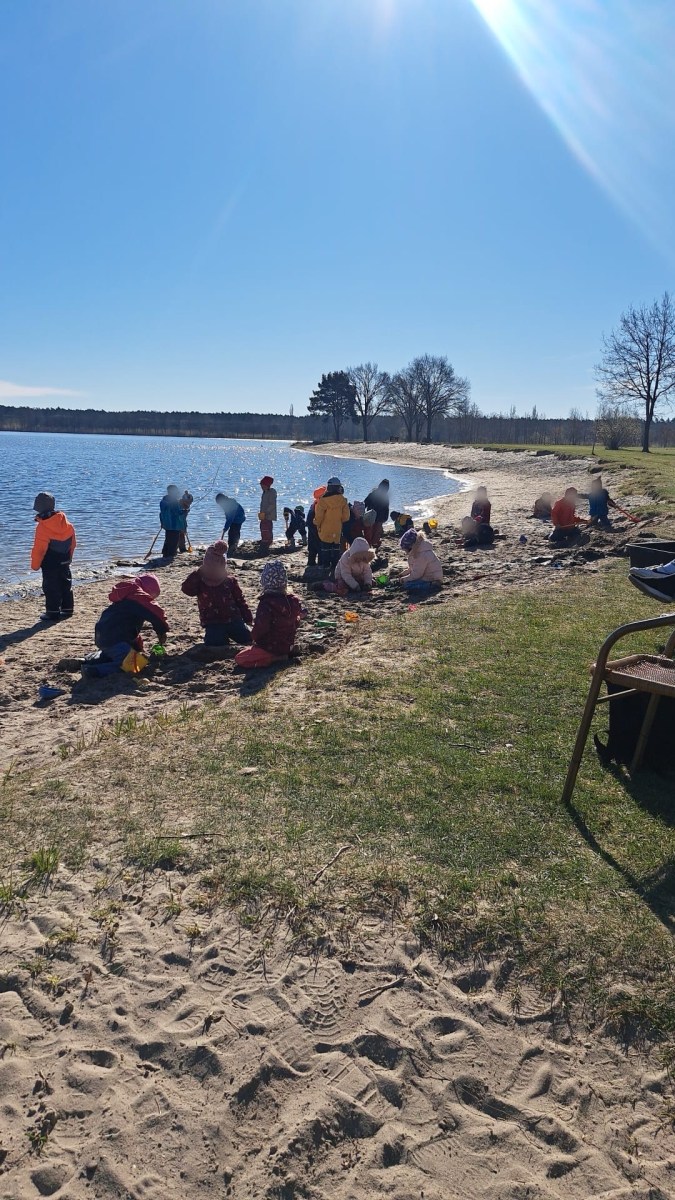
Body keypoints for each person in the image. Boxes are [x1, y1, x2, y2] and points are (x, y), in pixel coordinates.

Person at [234, 560, 305, 669]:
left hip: (269, 647)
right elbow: (297, 620)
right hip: (287, 644)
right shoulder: (293, 601)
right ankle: (286, 652)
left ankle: (275, 658)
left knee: (240, 658)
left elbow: (261, 627)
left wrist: (254, 637)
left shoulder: (266, 604)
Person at [181, 541, 252, 647]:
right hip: (212, 622)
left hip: (234, 619)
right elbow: (187, 590)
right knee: (215, 642)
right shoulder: (200, 580)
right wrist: (197, 573)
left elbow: (240, 600)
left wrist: (247, 617)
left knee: (248, 637)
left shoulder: (229, 581)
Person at [94, 573, 169, 661]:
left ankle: (90, 660)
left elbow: (128, 627)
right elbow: (155, 613)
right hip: (115, 640)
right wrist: (162, 630)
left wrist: (138, 647)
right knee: (132, 663)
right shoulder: (138, 596)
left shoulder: (126, 596)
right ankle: (93, 668)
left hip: (103, 637)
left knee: (111, 655)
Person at [31, 492, 77, 622]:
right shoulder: (68, 524)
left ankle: (52, 612)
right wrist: (69, 558)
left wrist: (35, 565)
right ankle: (67, 609)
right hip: (64, 560)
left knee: (51, 587)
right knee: (66, 584)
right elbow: (73, 544)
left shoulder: (42, 527)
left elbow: (39, 549)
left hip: (50, 563)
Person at [314, 477, 350, 573]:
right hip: (337, 528)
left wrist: (316, 523)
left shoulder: (323, 500)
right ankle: (335, 565)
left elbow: (319, 516)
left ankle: (326, 565)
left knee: (325, 548)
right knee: (336, 548)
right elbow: (346, 516)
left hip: (325, 529)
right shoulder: (343, 500)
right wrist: (339, 520)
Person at [160, 485, 188, 558]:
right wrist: (185, 512)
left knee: (168, 539)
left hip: (167, 524)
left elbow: (161, 513)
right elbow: (178, 513)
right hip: (175, 525)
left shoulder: (163, 502)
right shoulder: (175, 502)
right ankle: (171, 554)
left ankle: (165, 553)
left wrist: (162, 522)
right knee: (174, 540)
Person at [363, 479, 390, 548]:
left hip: (371, 516)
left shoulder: (373, 494)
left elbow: (365, 504)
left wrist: (362, 514)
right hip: (378, 518)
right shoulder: (385, 497)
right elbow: (386, 509)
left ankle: (370, 546)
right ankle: (373, 545)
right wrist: (385, 518)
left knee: (369, 533)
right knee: (375, 534)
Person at [306, 486, 326, 567]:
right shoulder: (319, 505)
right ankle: (320, 563)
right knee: (319, 546)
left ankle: (311, 562)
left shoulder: (314, 504)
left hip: (311, 526)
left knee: (312, 547)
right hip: (315, 527)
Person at [258, 476, 277, 549]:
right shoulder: (264, 492)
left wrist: (266, 512)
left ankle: (268, 540)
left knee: (267, 527)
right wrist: (262, 512)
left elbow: (272, 504)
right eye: (261, 485)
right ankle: (264, 539)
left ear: (267, 485)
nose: (261, 487)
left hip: (269, 514)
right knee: (262, 526)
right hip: (263, 513)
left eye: (263, 485)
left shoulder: (271, 492)